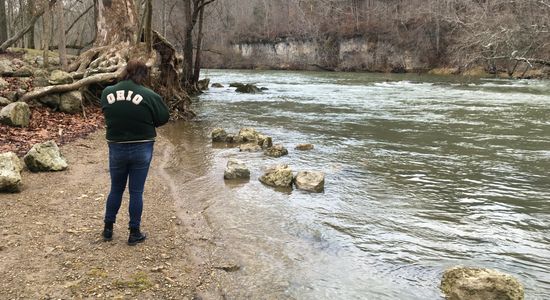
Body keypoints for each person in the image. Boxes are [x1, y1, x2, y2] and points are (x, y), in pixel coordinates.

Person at [100, 59, 170, 245]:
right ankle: (134, 232)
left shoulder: (107, 92)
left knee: (116, 188)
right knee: (136, 191)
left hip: (116, 146)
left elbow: (107, 112)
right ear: (142, 75)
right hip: (142, 146)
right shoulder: (149, 95)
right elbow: (164, 117)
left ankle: (108, 229)